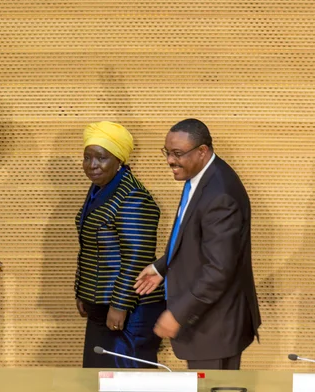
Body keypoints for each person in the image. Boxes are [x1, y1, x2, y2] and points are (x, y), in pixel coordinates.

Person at [134, 119, 261, 370]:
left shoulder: (220, 194)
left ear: (202, 151)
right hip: (210, 323)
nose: (170, 160)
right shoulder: (201, 176)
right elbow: (191, 234)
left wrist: (178, 313)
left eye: (177, 154)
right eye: (167, 152)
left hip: (215, 327)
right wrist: (163, 267)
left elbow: (219, 269)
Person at [75, 121, 166, 368]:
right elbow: (89, 246)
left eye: (101, 158)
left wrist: (120, 305)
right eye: (87, 157)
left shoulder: (133, 195)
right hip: (101, 306)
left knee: (125, 379)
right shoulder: (99, 188)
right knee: (97, 377)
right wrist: (82, 291)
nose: (92, 165)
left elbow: (137, 256)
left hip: (130, 310)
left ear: (119, 160)